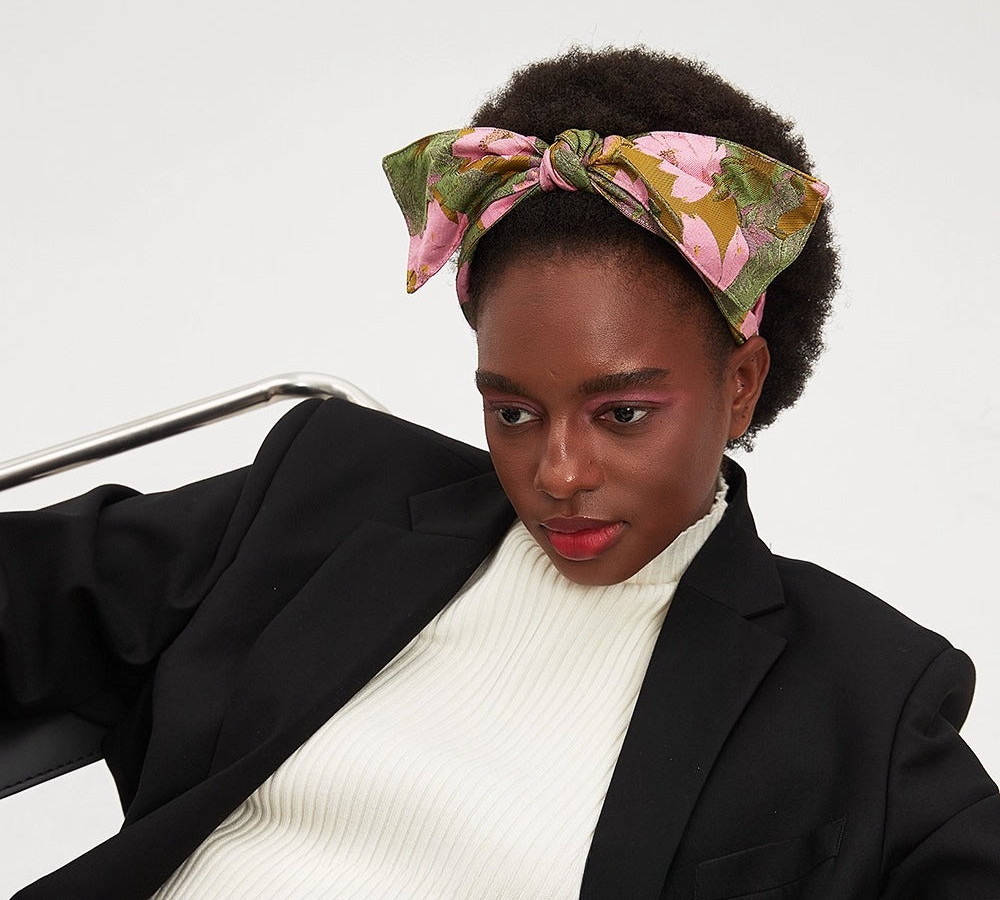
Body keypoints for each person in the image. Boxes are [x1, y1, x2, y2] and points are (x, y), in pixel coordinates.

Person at [1, 47, 997, 899]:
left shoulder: (858, 688)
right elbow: (36, 590)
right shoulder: (329, 493)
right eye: (512, 409)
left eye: (621, 412)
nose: (557, 471)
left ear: (738, 385)